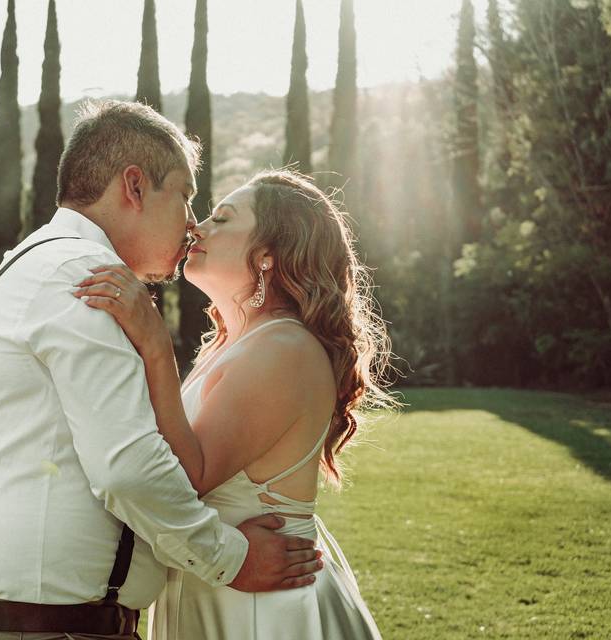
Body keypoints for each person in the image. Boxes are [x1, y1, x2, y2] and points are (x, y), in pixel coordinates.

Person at [0, 102, 322, 640]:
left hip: (28, 620)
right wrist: (233, 559)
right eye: (184, 194)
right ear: (134, 186)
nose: (190, 223)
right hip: (37, 626)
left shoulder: (45, 262)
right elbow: (128, 468)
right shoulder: (82, 276)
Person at [75, 168, 396, 639]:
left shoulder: (283, 348)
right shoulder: (240, 344)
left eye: (222, 219)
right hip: (223, 588)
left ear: (266, 256)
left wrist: (154, 342)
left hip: (262, 608)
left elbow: (188, 477)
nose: (196, 228)